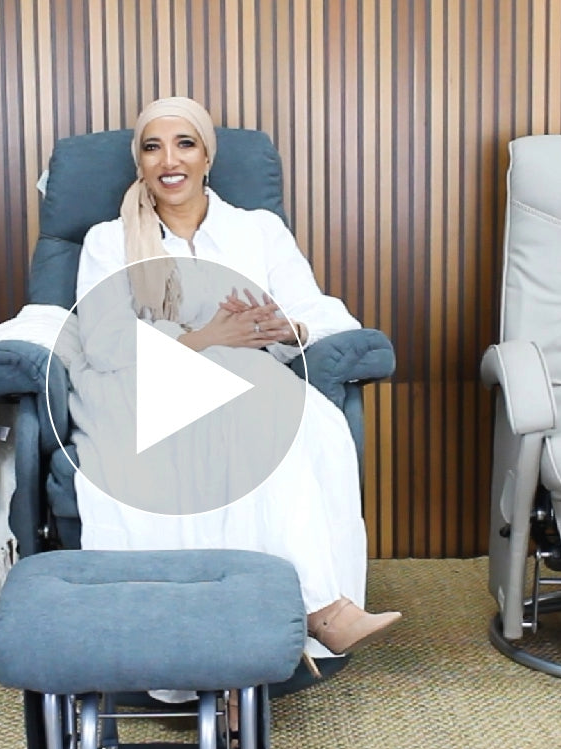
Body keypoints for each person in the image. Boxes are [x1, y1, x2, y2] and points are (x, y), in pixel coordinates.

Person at [68, 97, 400, 672]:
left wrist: (286, 326)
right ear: (140, 164)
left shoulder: (258, 231)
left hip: (253, 380)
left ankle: (272, 624)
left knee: (303, 423)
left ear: (207, 158)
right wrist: (207, 338)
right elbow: (104, 342)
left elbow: (319, 312)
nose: (169, 160)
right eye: (153, 147)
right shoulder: (108, 241)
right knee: (248, 402)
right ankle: (316, 609)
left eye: (184, 144)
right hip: (147, 390)